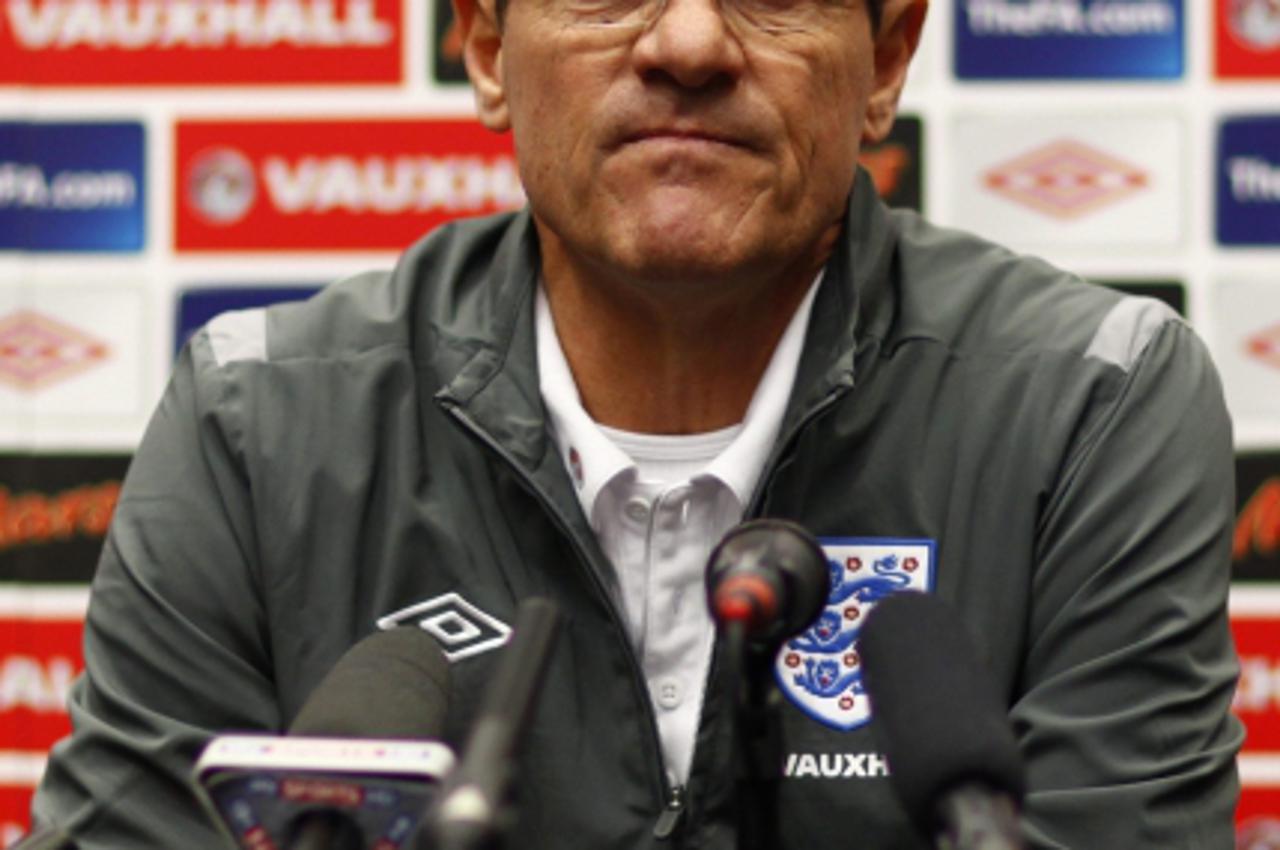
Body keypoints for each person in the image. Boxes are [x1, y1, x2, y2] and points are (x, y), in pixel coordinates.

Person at [31, 0, 1242, 846]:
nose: (688, 42)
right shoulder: (260, 421)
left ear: (884, 60)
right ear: (487, 46)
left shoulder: (1089, 399)